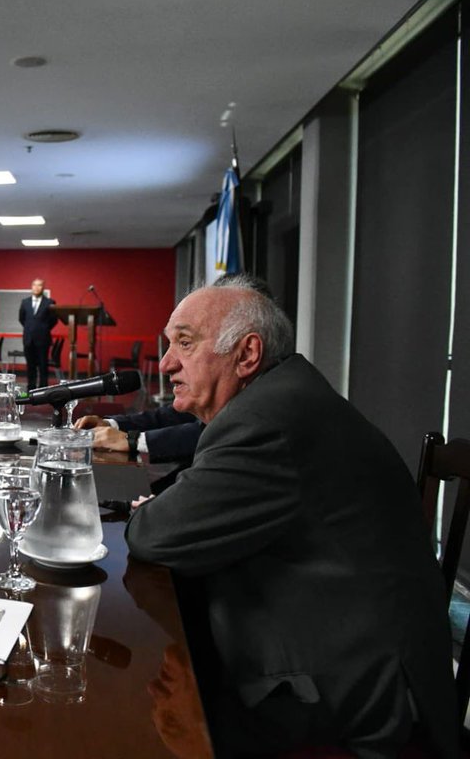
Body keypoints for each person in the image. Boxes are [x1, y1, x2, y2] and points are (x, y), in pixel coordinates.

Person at [124, 276, 457, 758]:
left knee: (146, 718)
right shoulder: (281, 398)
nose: (169, 362)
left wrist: (153, 512)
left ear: (247, 355)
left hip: (360, 684)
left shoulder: (265, 421)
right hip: (349, 640)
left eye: (185, 343)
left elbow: (157, 534)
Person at [18, 278, 57, 390]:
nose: (36, 287)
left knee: (43, 365)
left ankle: (43, 389)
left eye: (39, 285)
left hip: (43, 338)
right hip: (28, 338)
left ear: (43, 288)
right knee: (30, 365)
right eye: (34, 285)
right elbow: (22, 319)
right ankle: (31, 388)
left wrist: (43, 329)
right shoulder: (25, 302)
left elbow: (54, 320)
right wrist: (31, 329)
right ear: (31, 287)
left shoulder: (50, 302)